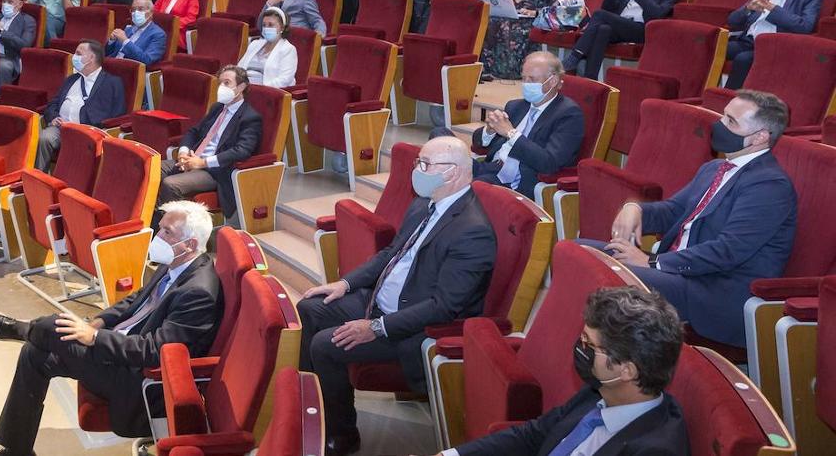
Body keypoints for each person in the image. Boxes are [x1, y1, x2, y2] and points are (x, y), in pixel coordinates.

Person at [298, 136, 497, 456]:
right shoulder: (424, 202)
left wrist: (376, 327)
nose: (418, 170)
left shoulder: (473, 232)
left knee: (326, 344)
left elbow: (443, 307)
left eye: (426, 164)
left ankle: (341, 433)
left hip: (410, 326)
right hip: (378, 300)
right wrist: (345, 284)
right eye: (419, 162)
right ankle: (313, 410)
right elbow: (391, 253)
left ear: (455, 173)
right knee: (310, 308)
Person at [0, 200, 220, 454]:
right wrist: (100, 322)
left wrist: (94, 337)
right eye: (160, 228)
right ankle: (17, 450)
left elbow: (156, 350)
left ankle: (23, 329)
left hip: (136, 374)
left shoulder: (198, 292)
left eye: (167, 232)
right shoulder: (177, 263)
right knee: (34, 354)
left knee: (52, 327)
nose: (158, 236)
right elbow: (136, 299)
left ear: (191, 244)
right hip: (119, 347)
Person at [600, 90, 796, 347]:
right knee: (580, 252)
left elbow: (727, 251)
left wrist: (653, 261)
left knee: (608, 275)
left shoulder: (770, 184)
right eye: (723, 116)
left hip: (715, 291)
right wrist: (635, 208)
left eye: (731, 122)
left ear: (759, 137)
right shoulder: (714, 168)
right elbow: (673, 210)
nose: (719, 125)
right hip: (682, 274)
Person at [433, 288, 688, 456]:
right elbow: (535, 434)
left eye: (589, 344)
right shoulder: (598, 393)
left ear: (627, 370)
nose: (579, 348)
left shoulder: (654, 449)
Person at [155, 66, 263, 225]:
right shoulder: (217, 108)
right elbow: (194, 131)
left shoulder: (250, 117)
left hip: (216, 171)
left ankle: (176, 233)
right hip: (194, 158)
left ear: (241, 87)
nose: (222, 88)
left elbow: (242, 151)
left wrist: (203, 162)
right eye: (220, 83)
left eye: (227, 83)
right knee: (152, 168)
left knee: (171, 184)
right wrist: (183, 153)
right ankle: (156, 222)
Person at [470, 52, 584, 198]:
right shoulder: (516, 106)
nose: (526, 84)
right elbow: (478, 141)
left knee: (463, 189)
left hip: (515, 182)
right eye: (524, 78)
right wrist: (490, 130)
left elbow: (549, 163)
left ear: (553, 81)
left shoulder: (568, 115)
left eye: (532, 79)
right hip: (489, 168)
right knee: (441, 149)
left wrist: (511, 133)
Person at [722, 0, 823, 89]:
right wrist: (748, 9)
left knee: (743, 59)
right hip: (748, 41)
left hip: (776, 46)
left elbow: (805, 26)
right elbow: (732, 21)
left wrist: (772, 8)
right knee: (712, 47)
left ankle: (726, 100)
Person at [34, 40, 125, 171]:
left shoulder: (112, 82)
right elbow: (53, 104)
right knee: (44, 138)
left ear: (91, 58)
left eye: (78, 53)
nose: (74, 57)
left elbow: (118, 115)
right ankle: (38, 180)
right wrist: (53, 117)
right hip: (61, 128)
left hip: (88, 132)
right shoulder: (71, 79)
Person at [238, 8, 298, 88]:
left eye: (270, 25)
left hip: (267, 92)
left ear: (282, 28)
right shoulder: (255, 44)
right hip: (243, 89)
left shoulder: (288, 49)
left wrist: (260, 89)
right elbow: (239, 69)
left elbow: (284, 80)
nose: (266, 28)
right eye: (264, 25)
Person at [105, 0, 167, 66]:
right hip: (111, 66)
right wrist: (111, 41)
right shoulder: (128, 29)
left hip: (129, 71)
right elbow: (107, 53)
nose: (136, 12)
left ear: (151, 13)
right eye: (133, 10)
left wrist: (125, 41)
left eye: (140, 9)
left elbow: (147, 60)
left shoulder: (158, 34)